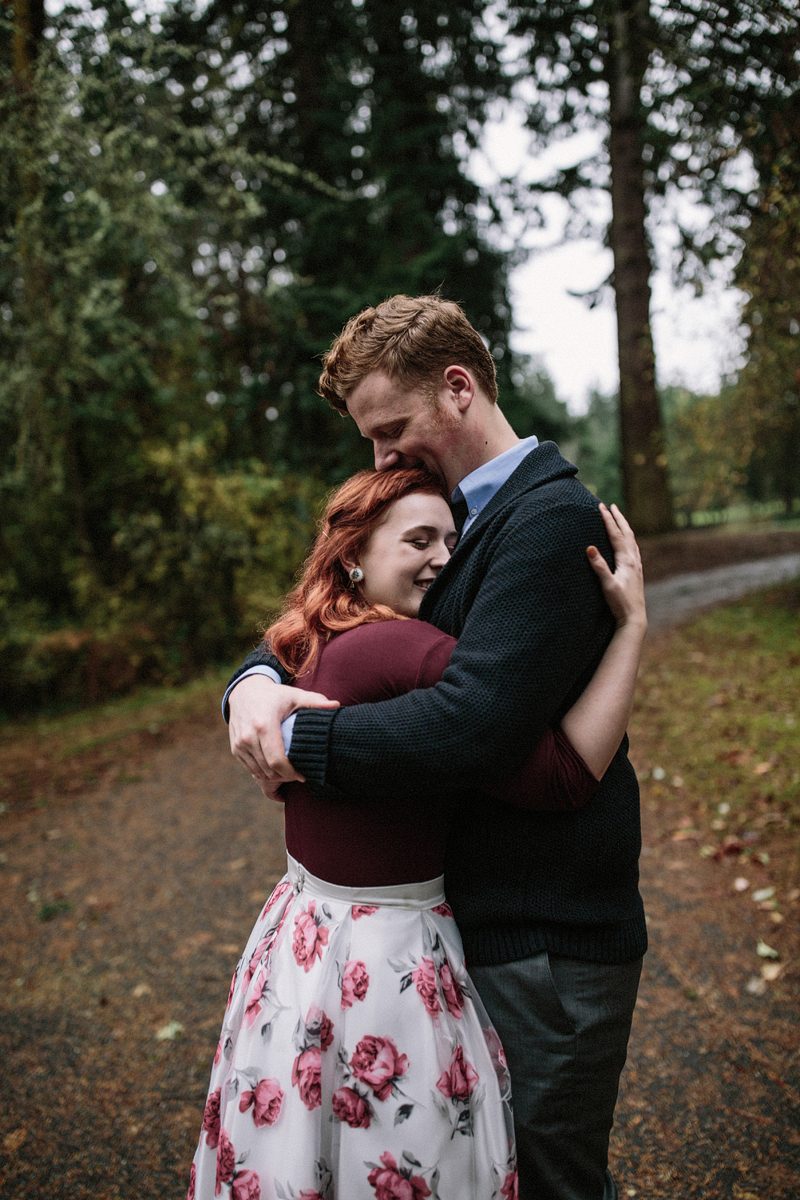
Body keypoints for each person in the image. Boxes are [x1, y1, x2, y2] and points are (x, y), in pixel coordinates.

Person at [225, 295, 648, 1200]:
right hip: (477, 924)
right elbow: (338, 614)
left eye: (391, 430)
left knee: (548, 1179)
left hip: (549, 933)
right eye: (371, 443)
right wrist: (253, 683)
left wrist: (304, 741)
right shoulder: (454, 514)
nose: (381, 458)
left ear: (458, 388)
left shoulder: (543, 520)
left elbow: (474, 726)